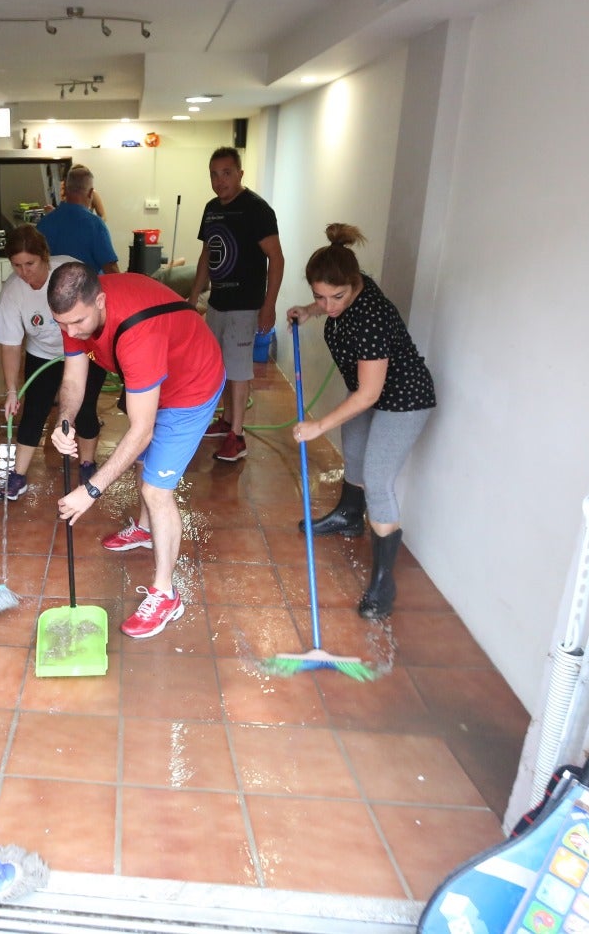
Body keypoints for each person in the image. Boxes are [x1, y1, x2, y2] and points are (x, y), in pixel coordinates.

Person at [47, 262, 225, 639]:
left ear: (100, 300)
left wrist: (91, 490)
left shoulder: (137, 331)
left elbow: (142, 431)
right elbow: (74, 377)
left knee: (156, 489)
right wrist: (66, 419)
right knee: (145, 462)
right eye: (61, 324)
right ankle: (145, 531)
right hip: (157, 378)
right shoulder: (74, 309)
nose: (70, 332)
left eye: (76, 323)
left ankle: (166, 594)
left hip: (192, 384)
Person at [288, 224, 436, 620]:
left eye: (336, 297)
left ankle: (383, 584)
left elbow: (369, 395)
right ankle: (349, 517)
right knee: (352, 452)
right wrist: (308, 311)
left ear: (355, 286)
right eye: (320, 295)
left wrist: (317, 426)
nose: (330, 305)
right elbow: (328, 301)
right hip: (371, 393)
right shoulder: (344, 288)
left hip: (402, 399)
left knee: (378, 479)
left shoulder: (369, 316)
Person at [187, 147, 284, 463]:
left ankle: (237, 436)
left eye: (226, 173)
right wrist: (193, 297)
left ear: (240, 173)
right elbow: (207, 255)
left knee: (239, 370)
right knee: (220, 367)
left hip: (245, 305)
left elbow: (276, 258)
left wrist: (268, 307)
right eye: (214, 174)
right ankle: (227, 420)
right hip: (217, 303)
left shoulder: (257, 210)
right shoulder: (212, 208)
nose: (219, 181)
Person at [0, 226, 104, 498]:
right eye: (17, 265)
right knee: (33, 411)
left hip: (84, 349)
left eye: (30, 263)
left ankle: (88, 465)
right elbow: (10, 345)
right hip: (43, 354)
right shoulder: (12, 292)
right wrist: (11, 390)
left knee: (85, 408)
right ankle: (18, 475)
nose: (24, 272)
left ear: (44, 256)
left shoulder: (70, 273)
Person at [38, 164, 119, 274]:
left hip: (51, 289)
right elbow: (111, 269)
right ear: (91, 193)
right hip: (89, 289)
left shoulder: (44, 224)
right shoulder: (95, 225)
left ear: (65, 190)